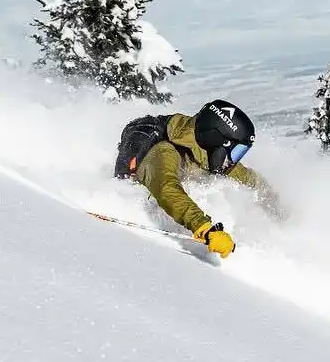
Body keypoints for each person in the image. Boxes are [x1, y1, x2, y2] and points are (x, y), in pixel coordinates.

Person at [113, 99, 280, 258]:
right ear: (216, 141)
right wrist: (205, 228)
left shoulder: (208, 153)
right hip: (138, 197)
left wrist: (277, 207)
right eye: (235, 151)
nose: (233, 160)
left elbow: (249, 178)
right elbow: (167, 188)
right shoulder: (165, 152)